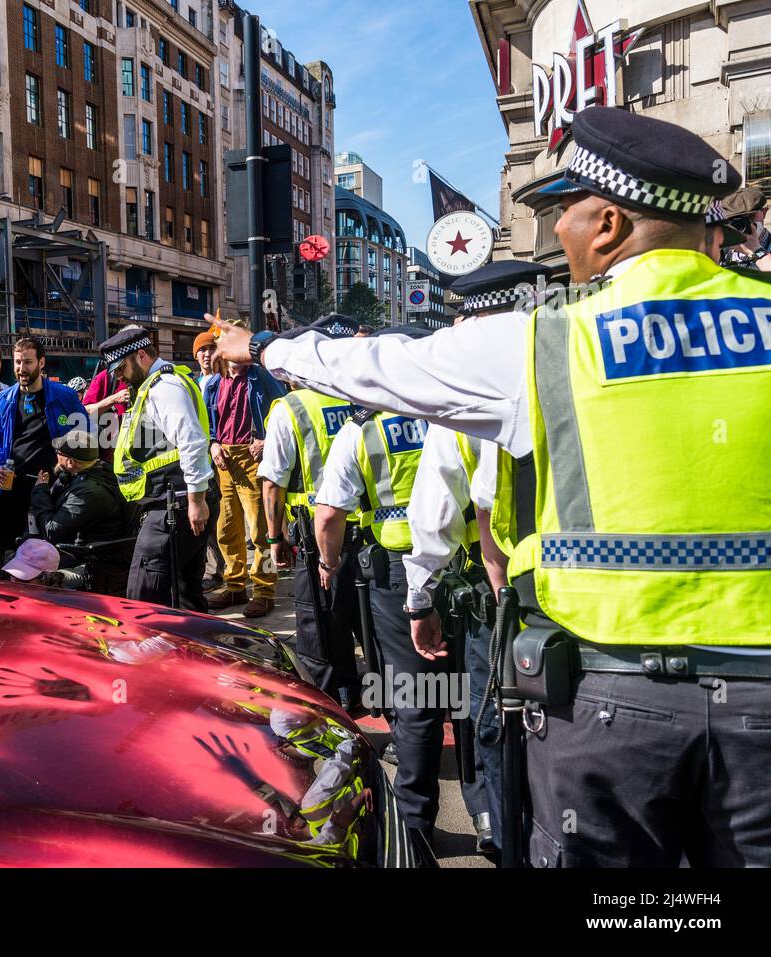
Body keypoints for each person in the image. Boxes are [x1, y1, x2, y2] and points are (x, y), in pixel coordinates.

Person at [212, 106, 770, 868]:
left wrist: (268, 344)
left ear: (607, 224)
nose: (559, 230)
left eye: (563, 210)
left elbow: (379, 367)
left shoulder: (541, 343)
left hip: (610, 710)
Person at [402, 260, 552, 856]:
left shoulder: (464, 396)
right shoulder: (571, 360)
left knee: (493, 721)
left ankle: (504, 839)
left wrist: (420, 598)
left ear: (469, 320)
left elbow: (444, 512)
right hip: (591, 594)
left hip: (503, 602)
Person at [309, 327, 440, 850]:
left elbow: (328, 517)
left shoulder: (362, 430)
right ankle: (490, 815)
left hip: (398, 575)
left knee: (416, 696)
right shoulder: (449, 413)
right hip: (469, 570)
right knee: (474, 694)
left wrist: (330, 562)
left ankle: (414, 824)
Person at [258, 377, 361, 707]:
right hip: (360, 526)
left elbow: (273, 482)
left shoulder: (290, 409)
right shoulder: (351, 396)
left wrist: (275, 537)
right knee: (356, 616)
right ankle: (358, 691)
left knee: (316, 623)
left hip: (314, 531)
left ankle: (326, 703)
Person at [104, 326, 217, 611]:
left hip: (174, 506)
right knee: (183, 592)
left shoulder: (163, 387)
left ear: (141, 356)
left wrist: (196, 500)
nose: (118, 376)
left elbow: (191, 441)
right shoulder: (156, 385)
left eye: (121, 368)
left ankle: (149, 653)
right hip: (174, 502)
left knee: (143, 596)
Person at [202, 333, 286, 617]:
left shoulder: (260, 377)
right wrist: (213, 444)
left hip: (252, 458)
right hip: (224, 459)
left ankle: (264, 590)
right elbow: (209, 423)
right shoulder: (214, 383)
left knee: (260, 529)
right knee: (227, 528)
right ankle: (235, 585)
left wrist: (266, 439)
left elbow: (281, 411)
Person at [0, 337, 88, 555]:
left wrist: (67, 467)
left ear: (41, 362)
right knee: (10, 552)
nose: (21, 368)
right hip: (12, 488)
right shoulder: (3, 400)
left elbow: (84, 434)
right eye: (17, 362)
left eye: (27, 362)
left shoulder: (64, 396)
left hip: (53, 488)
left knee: (50, 553)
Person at [29, 430, 130, 595]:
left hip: (92, 562)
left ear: (70, 462)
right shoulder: (85, 475)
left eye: (58, 453)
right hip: (79, 551)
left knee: (28, 571)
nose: (55, 456)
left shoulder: (88, 493)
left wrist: (40, 491)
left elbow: (51, 530)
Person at [192, 329, 226, 591]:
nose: (206, 354)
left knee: (218, 517)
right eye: (202, 350)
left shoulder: (224, 381)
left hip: (219, 456)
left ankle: (221, 571)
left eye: (210, 349)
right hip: (198, 456)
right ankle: (206, 569)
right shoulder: (192, 383)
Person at [81, 365, 129, 464]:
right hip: (108, 460)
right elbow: (85, 411)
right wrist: (113, 399)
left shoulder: (149, 378)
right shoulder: (106, 377)